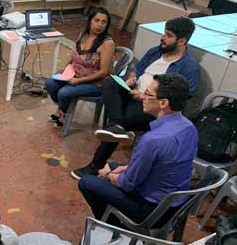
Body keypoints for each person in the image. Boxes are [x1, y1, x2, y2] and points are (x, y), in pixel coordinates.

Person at [71, 16, 200, 180]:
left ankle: (95, 165)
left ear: (181, 41)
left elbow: (181, 100)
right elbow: (136, 68)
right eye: (164, 33)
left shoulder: (189, 67)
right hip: (132, 92)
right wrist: (131, 77)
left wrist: (146, 96)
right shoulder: (156, 51)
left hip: (151, 107)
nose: (162, 37)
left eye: (168, 35)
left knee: (123, 119)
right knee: (110, 82)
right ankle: (116, 125)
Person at [78, 74, 198, 224]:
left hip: (152, 210)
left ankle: (113, 226)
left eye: (147, 94)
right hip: (174, 201)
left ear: (163, 103)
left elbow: (127, 184)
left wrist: (109, 175)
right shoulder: (189, 127)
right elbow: (165, 163)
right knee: (115, 166)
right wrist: (125, 168)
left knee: (87, 182)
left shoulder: (153, 140)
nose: (143, 97)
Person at [44, 7, 115, 126]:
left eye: (104, 22)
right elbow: (75, 53)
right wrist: (65, 67)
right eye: (96, 20)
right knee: (50, 83)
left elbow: (104, 72)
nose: (100, 25)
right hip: (75, 74)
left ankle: (64, 113)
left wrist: (79, 81)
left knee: (64, 92)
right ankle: (62, 109)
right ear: (90, 21)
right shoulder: (84, 34)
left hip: (96, 83)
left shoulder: (107, 44)